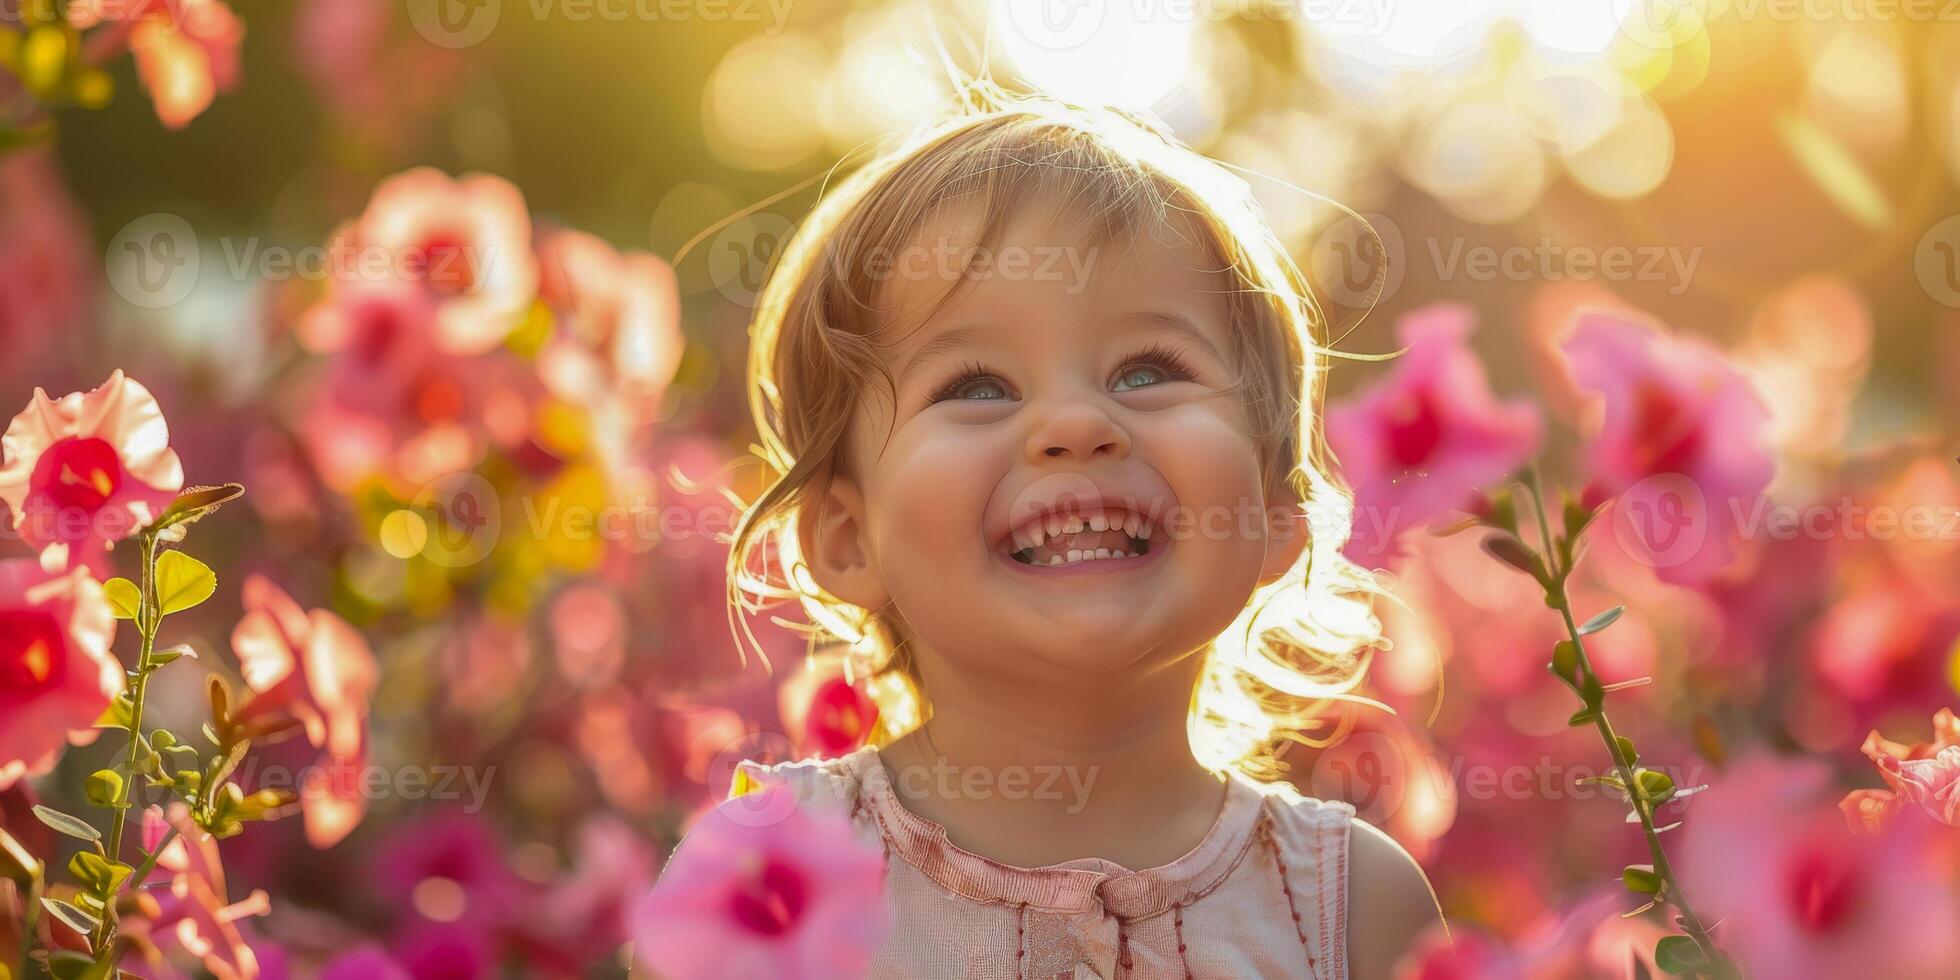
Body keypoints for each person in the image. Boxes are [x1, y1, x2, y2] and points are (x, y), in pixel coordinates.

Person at [685, 82, 1441, 978]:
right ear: (849, 538)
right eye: (976, 386)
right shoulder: (770, 870)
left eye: (1149, 369)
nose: (1077, 424)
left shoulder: (1354, 908)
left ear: (1276, 509)